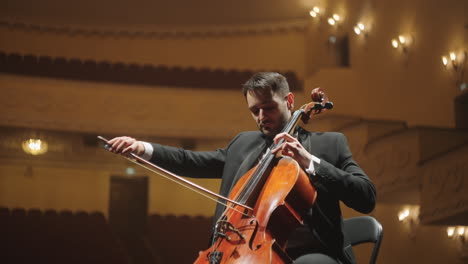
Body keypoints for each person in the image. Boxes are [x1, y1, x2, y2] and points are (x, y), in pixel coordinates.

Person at [107, 72, 376, 264]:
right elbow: (191, 160)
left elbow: (366, 196)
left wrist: (309, 161)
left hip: (312, 252)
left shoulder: (330, 144)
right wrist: (142, 148)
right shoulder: (242, 144)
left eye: (268, 108)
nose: (261, 118)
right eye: (254, 111)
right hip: (246, 250)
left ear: (290, 101)